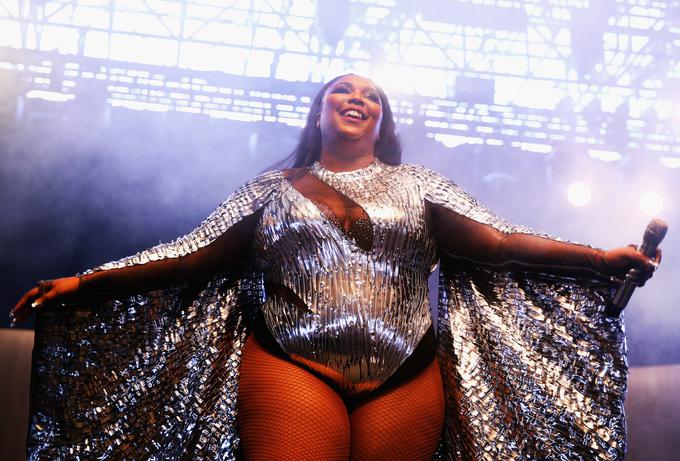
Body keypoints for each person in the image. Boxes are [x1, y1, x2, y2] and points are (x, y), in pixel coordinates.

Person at [11, 74, 661, 460]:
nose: (357, 97)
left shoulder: (419, 184)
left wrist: (602, 256)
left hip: (405, 372)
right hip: (293, 363)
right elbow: (191, 253)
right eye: (341, 90)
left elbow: (498, 241)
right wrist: (82, 283)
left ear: (381, 120)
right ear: (320, 112)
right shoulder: (272, 187)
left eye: (371, 95)